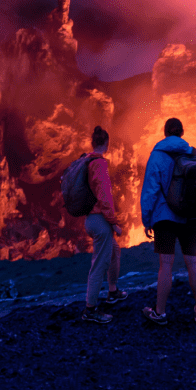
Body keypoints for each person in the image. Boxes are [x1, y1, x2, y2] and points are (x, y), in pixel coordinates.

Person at [140, 117, 196, 326]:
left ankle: (159, 313)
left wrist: (147, 219)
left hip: (165, 218)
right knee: (193, 263)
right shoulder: (195, 154)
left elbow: (150, 191)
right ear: (182, 133)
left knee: (166, 265)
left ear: (165, 133)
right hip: (189, 217)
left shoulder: (157, 157)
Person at [81, 125, 128, 324]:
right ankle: (90, 309)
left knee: (114, 252)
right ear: (107, 144)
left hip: (91, 218)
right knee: (99, 264)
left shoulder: (86, 161)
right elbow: (105, 197)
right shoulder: (99, 164)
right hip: (100, 221)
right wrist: (114, 222)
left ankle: (113, 291)